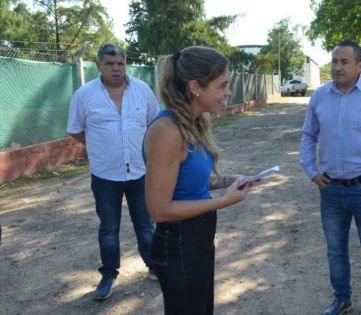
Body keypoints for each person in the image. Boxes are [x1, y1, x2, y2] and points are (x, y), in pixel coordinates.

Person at [143, 46, 250, 314]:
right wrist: (223, 202)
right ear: (195, 87)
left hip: (198, 239)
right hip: (179, 243)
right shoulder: (168, 131)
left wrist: (227, 180)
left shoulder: (192, 123)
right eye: (223, 85)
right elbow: (159, 210)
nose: (228, 93)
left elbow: (187, 183)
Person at [299, 40, 361, 315]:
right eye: (334, 61)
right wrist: (310, 170)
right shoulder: (320, 96)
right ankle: (342, 299)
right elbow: (308, 135)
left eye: (344, 62)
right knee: (335, 251)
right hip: (330, 190)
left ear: (359, 66)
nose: (337, 67)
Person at [66, 43, 160, 300]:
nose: (116, 68)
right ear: (99, 65)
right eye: (110, 64)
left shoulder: (142, 91)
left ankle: (154, 266)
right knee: (108, 228)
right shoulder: (84, 96)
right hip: (105, 174)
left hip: (140, 172)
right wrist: (99, 146)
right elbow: (75, 129)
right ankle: (108, 275)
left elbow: (155, 124)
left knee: (145, 224)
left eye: (120, 63)